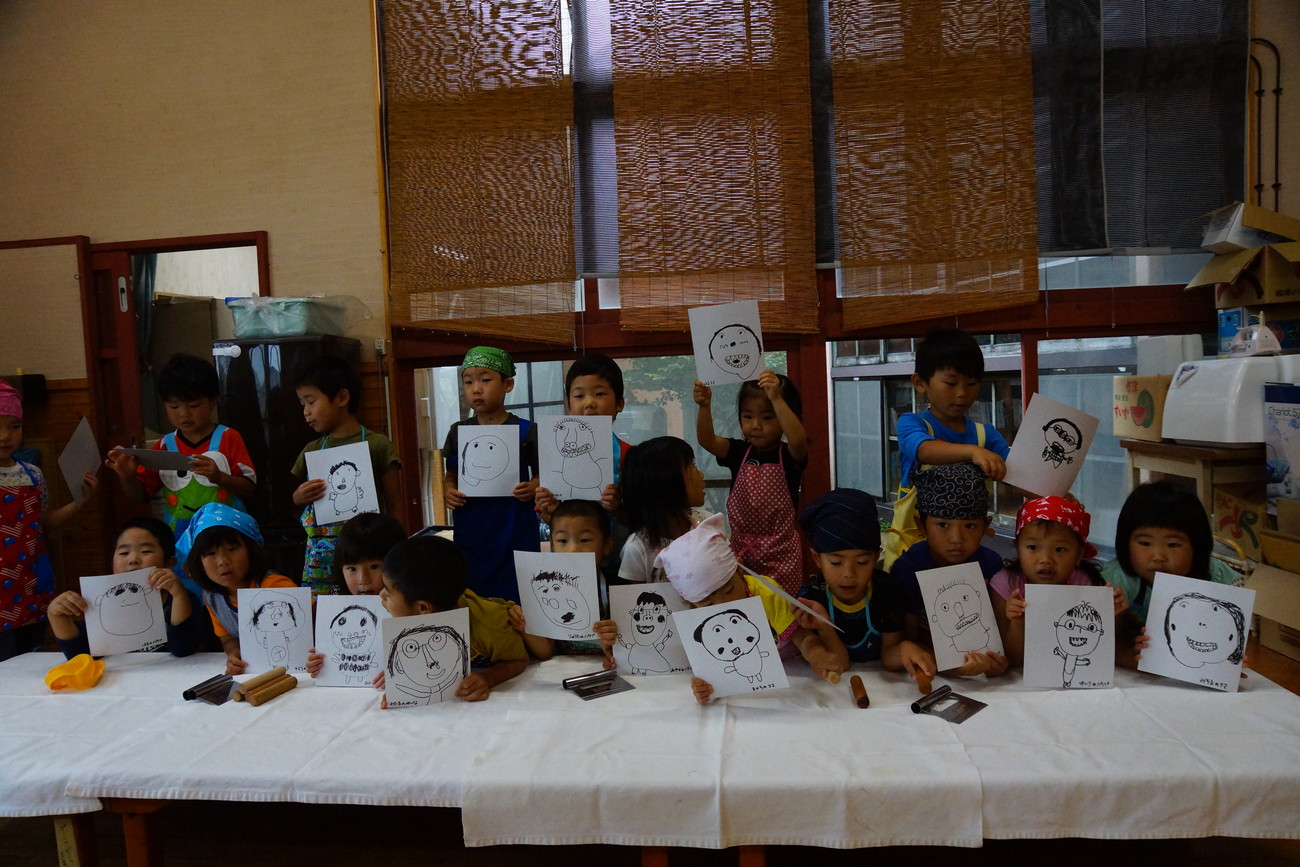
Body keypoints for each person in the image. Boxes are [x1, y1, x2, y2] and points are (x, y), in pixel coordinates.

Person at [650, 513, 847, 705]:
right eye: (707, 604)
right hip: (742, 684)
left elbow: (803, 637)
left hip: (790, 674)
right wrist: (703, 686)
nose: (722, 606)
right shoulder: (694, 616)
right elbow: (707, 665)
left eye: (728, 590)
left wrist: (816, 655)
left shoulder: (766, 594)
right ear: (688, 600)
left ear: (739, 570)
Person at [105, 353, 256, 585]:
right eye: (173, 406)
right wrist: (127, 477)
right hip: (181, 542)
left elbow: (249, 488)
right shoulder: (164, 445)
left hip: (227, 539)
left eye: (193, 405)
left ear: (213, 401)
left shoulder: (228, 438)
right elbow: (141, 495)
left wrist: (219, 477)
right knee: (188, 591)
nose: (184, 414)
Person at [885, 329, 1010, 568]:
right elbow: (924, 450)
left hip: (964, 550)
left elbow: (1018, 473)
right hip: (913, 551)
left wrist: (1051, 495)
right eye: (951, 383)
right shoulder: (912, 423)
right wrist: (973, 452)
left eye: (971, 383)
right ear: (920, 383)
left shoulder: (985, 435)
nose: (962, 393)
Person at [0, 381, 99, 660]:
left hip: (31, 584)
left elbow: (42, 524)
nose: (5, 436)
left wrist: (80, 502)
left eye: (15, 426)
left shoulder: (32, 473)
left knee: (33, 658)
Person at [291, 355, 402, 595]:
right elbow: (295, 502)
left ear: (342, 397)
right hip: (323, 555)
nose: (306, 412)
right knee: (327, 610)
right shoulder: (311, 450)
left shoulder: (378, 445)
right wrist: (299, 496)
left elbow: (395, 505)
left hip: (369, 554)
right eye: (302, 404)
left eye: (311, 402)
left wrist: (399, 552)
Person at [796, 489, 934, 681]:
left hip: (881, 685)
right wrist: (824, 627)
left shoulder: (887, 592)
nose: (849, 574)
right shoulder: (811, 600)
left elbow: (889, 657)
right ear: (817, 559)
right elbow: (839, 664)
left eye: (862, 562)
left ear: (876, 557)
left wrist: (905, 648)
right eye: (836, 562)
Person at [1101, 481, 1241, 668]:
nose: (1158, 556)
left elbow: (1233, 633)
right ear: (1125, 543)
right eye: (1144, 543)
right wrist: (1130, 655)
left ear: (1197, 546)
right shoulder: (1116, 581)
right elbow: (1103, 644)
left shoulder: (1215, 576)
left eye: (1173, 544)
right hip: (1132, 672)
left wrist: (1228, 663)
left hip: (1193, 673)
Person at [695, 369, 807, 594]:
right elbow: (707, 440)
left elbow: (799, 440)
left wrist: (776, 398)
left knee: (783, 609)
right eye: (747, 416)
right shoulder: (739, 451)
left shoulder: (789, 454)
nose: (755, 425)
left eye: (767, 417)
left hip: (782, 556)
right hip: (741, 554)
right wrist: (704, 407)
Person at [376, 535, 528, 702]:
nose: (380, 595)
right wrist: (400, 675)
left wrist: (488, 678)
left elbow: (519, 659)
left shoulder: (488, 625)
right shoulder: (426, 613)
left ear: (423, 609)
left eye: (388, 593)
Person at [892, 463, 1009, 677]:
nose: (956, 538)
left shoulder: (991, 565)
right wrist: (949, 666)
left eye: (970, 526)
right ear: (921, 525)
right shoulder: (908, 569)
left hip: (981, 671)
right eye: (943, 525)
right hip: (928, 672)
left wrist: (997, 661)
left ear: (985, 526)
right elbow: (908, 640)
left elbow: (998, 633)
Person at [442, 346, 539, 603]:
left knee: (520, 597)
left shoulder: (526, 430)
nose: (476, 389)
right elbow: (451, 473)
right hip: (472, 528)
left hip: (515, 527)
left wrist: (533, 486)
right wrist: (448, 490)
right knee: (475, 596)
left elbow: (544, 475)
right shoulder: (457, 432)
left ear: (508, 384)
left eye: (485, 380)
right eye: (468, 382)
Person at [990, 496, 1125, 665]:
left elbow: (1098, 649)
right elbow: (1011, 659)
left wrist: (1112, 615)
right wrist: (1017, 622)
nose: (1046, 559)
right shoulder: (1006, 584)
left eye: (1060, 549)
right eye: (1033, 547)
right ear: (1018, 548)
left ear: (1079, 554)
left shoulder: (1082, 583)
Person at [534, 353, 632, 583]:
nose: (589, 403)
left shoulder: (631, 457)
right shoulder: (553, 457)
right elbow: (547, 518)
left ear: (619, 403)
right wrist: (548, 510)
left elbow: (641, 520)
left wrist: (618, 509)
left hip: (623, 564)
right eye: (579, 395)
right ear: (569, 405)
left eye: (599, 394)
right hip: (571, 564)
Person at [47, 516, 203, 658]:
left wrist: (179, 596)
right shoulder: (102, 604)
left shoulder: (184, 599)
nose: (133, 559)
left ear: (169, 563)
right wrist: (56, 616)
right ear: (112, 564)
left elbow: (184, 649)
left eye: (146, 551)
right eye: (123, 553)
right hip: (117, 678)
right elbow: (80, 656)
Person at [178, 502, 297, 675]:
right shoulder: (212, 597)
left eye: (232, 549)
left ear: (252, 550)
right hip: (258, 674)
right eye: (210, 553)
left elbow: (314, 626)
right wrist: (233, 653)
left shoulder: (274, 586)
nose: (222, 561)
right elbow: (228, 639)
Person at [509, 499, 618, 662]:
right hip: (563, 671)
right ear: (552, 546)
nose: (573, 550)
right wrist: (524, 626)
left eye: (585, 540)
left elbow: (632, 646)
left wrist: (618, 638)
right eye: (562, 541)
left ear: (607, 545)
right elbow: (545, 651)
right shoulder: (543, 590)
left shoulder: (618, 589)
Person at [304, 512, 408, 676]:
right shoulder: (332, 610)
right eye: (352, 569)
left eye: (374, 567)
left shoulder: (414, 607)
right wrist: (319, 664)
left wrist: (406, 669)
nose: (363, 580)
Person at [618, 436, 711, 584]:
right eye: (692, 466)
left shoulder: (708, 524)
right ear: (667, 483)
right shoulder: (637, 548)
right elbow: (635, 597)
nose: (701, 475)